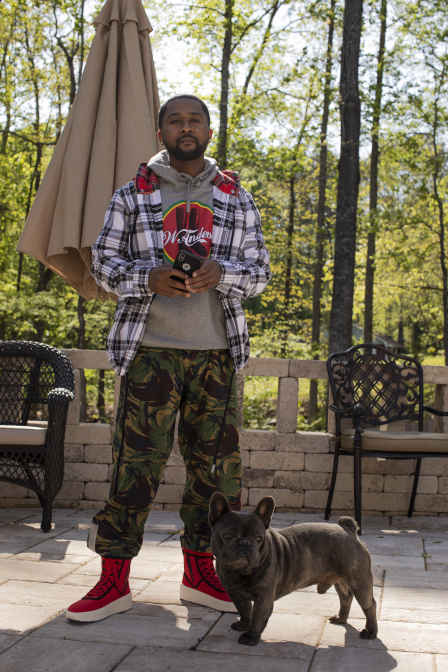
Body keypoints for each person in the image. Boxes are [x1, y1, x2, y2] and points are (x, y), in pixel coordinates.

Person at [66, 94, 271, 622]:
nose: (186, 128)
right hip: (149, 354)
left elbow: (261, 272)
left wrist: (222, 273)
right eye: (175, 121)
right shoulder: (133, 195)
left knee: (215, 477)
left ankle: (200, 576)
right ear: (161, 133)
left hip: (217, 357)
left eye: (194, 121)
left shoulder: (234, 196)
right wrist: (147, 278)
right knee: (134, 470)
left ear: (208, 130)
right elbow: (105, 265)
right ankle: (113, 582)